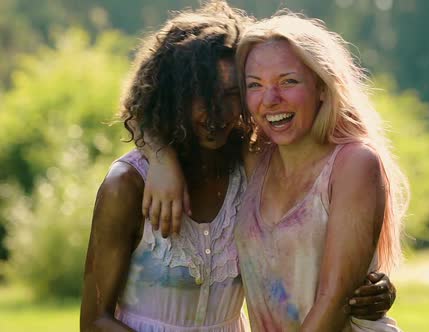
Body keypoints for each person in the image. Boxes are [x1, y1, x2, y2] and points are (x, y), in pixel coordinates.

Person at [80, 2, 395, 331]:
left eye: (231, 94)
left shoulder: (258, 165)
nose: (216, 113)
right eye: (199, 95)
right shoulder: (133, 183)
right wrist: (160, 157)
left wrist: (364, 285)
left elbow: (322, 277)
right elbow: (93, 322)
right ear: (171, 95)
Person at [232, 13, 409, 331]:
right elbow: (169, 114)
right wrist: (162, 163)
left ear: (323, 88)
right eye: (255, 85)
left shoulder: (353, 164)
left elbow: (335, 300)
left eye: (288, 81)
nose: (271, 99)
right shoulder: (252, 159)